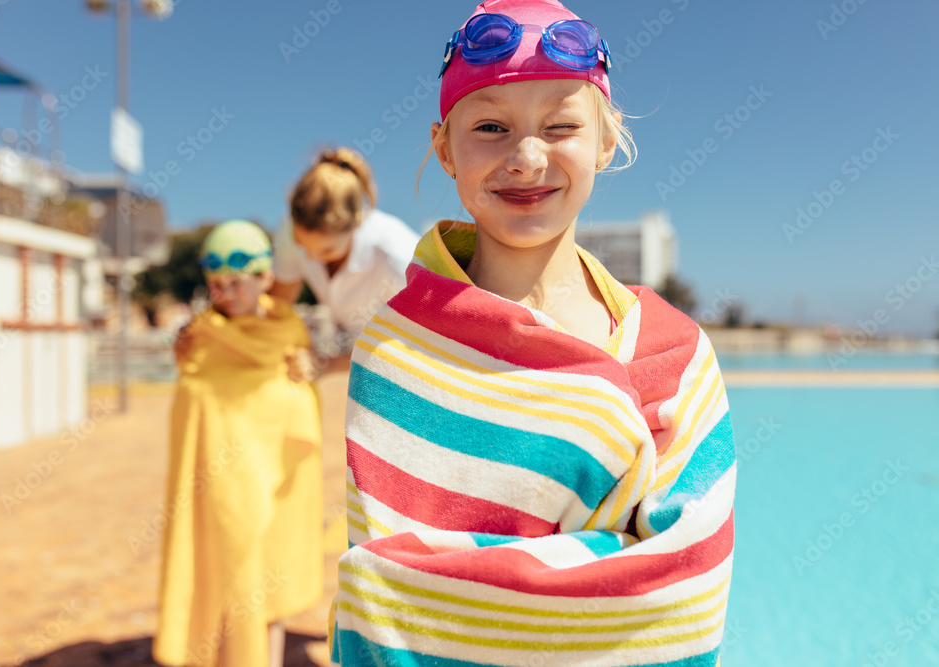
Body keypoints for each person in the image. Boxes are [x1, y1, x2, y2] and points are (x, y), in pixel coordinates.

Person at [331, 2, 737, 666]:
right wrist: (600, 561)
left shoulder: (674, 352)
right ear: (444, 149)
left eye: (561, 126)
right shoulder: (398, 349)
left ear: (605, 140)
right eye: (490, 126)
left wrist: (464, 587)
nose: (525, 157)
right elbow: (385, 588)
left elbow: (687, 590)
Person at [154, 220, 323, 667]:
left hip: (277, 480)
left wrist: (303, 378)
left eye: (235, 282)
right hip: (222, 485)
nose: (225, 293)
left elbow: (297, 399)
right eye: (215, 285)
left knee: (266, 580)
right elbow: (196, 404)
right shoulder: (200, 338)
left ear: (266, 277)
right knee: (232, 575)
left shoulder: (289, 335)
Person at [272, 147, 419, 348]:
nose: (311, 258)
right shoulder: (289, 229)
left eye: (327, 251)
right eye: (302, 246)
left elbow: (414, 345)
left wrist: (331, 366)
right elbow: (278, 306)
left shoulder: (399, 262)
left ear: (357, 224)